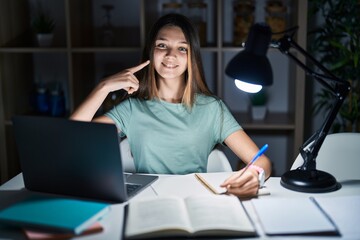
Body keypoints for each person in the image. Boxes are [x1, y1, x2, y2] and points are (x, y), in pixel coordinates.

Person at [70, 13, 271, 197]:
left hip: (196, 201)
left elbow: (262, 161)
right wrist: (103, 87)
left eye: (182, 48)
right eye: (162, 45)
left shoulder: (213, 109)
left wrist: (254, 175)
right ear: (151, 51)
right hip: (145, 200)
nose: (170, 55)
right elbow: (73, 136)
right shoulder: (132, 109)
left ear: (191, 57)